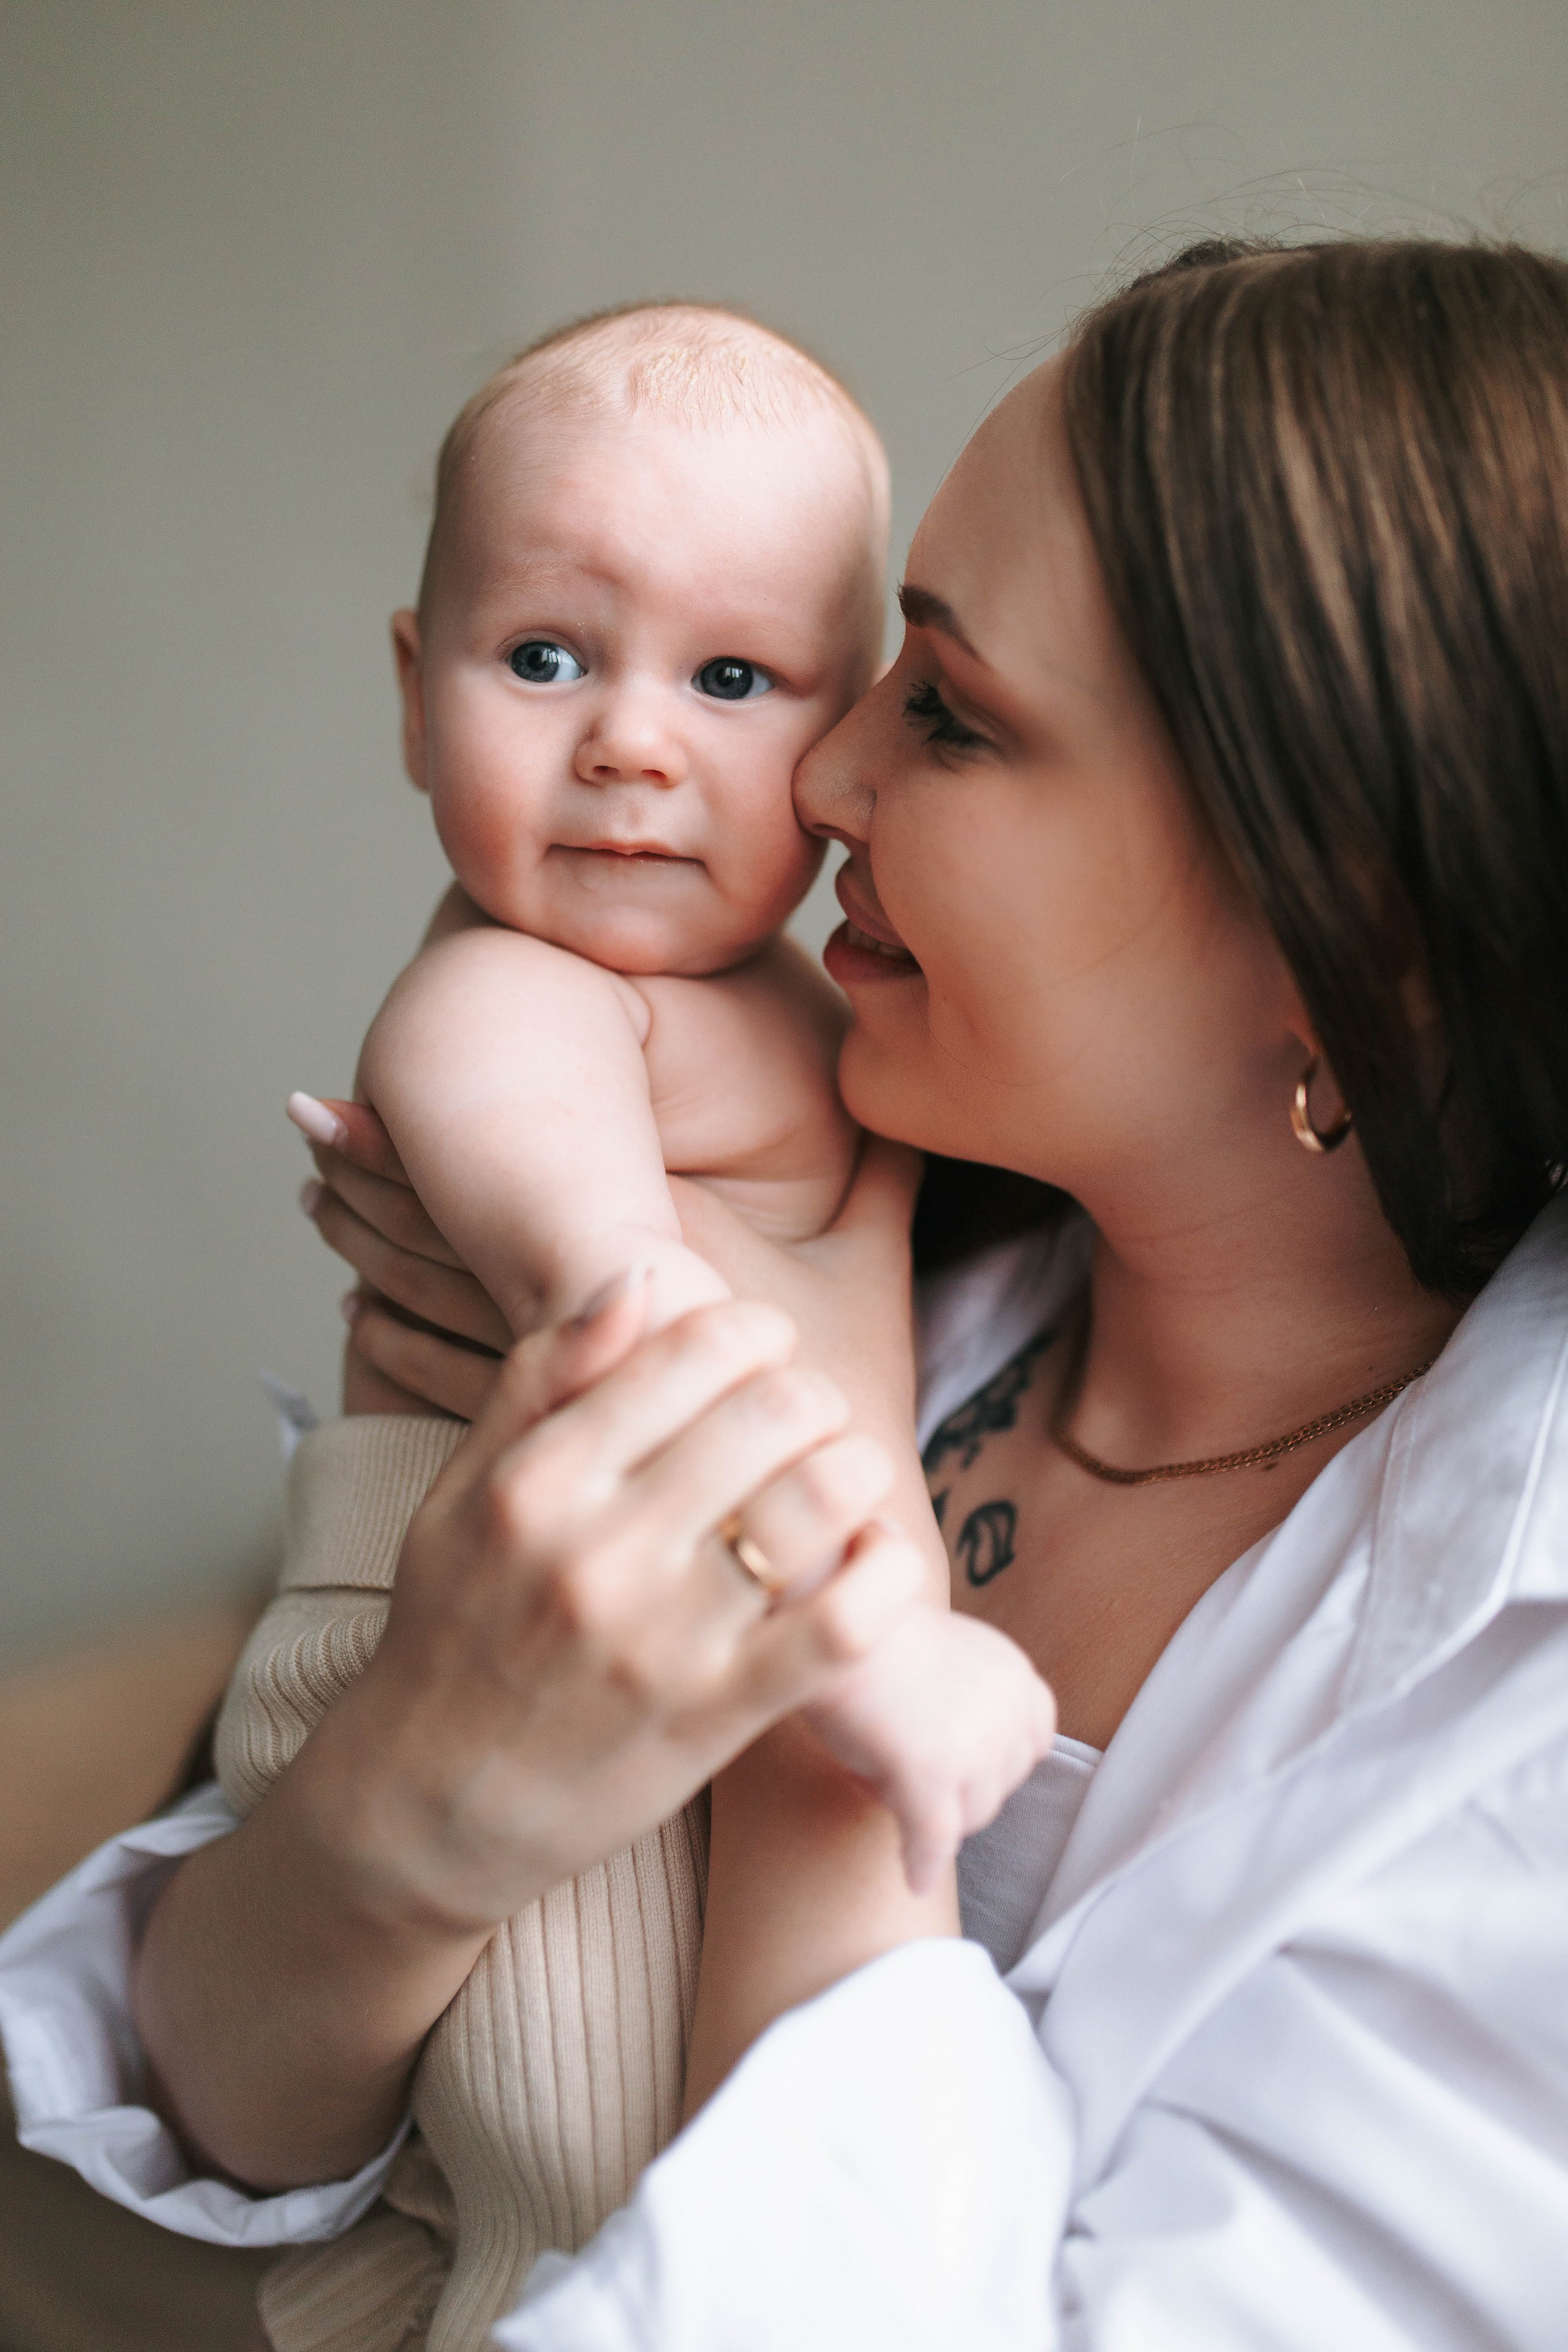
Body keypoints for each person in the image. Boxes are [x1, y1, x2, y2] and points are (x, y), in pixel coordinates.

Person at [4, 232, 1568, 2350]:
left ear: (1345, 937)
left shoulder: (1512, 1742)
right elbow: (206, 2115)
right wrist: (399, 1829)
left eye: (951, 714)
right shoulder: (830, 1203)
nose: (818, 786)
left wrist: (810, 1626)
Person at [211, 298, 1052, 2351]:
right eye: (544, 657)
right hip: (473, 1653)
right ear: (418, 698)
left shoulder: (820, 1006)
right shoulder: (510, 993)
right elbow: (629, 1324)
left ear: (843, 729)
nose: (631, 742)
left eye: (736, 676)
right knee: (583, 2175)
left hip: (634, 1643)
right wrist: (877, 1638)